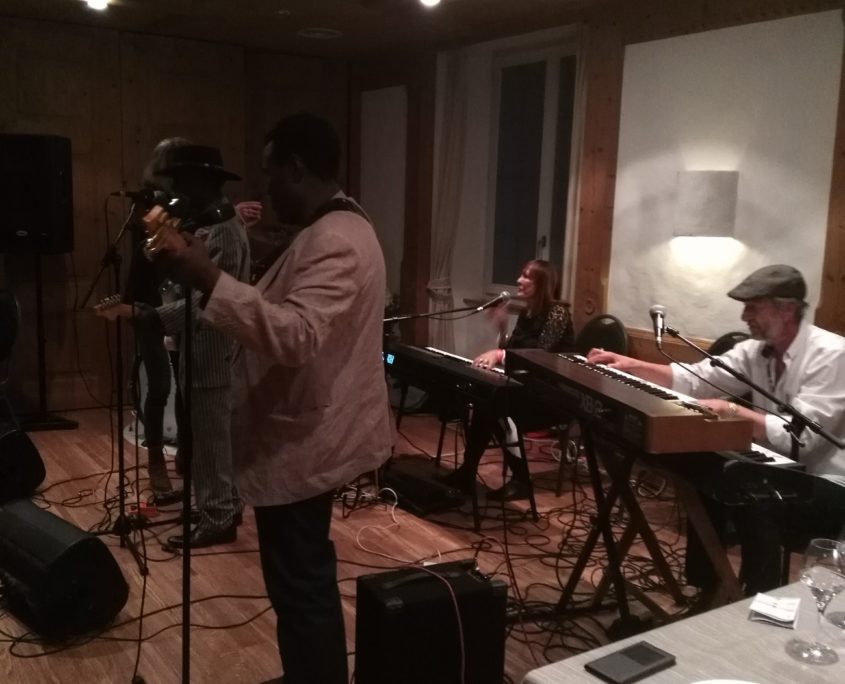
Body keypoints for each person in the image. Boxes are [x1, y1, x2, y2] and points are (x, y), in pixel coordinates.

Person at [145, 113, 393, 684]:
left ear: (296, 169)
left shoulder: (335, 239)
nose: (266, 187)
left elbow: (296, 336)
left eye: (271, 172)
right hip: (310, 429)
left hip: (306, 439)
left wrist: (209, 279)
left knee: (300, 586)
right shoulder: (338, 225)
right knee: (300, 581)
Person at [587, 264, 845, 594]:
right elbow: (695, 380)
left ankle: (757, 596)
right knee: (706, 472)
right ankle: (707, 585)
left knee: (758, 497)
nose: (744, 316)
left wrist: (732, 410)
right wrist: (631, 365)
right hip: (780, 470)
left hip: (829, 482)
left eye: (754, 307)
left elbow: (803, 439)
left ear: (787, 310)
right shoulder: (755, 351)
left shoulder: (831, 355)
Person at [99, 137, 190, 504]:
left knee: (185, 385)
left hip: (180, 301)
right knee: (161, 384)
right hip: (146, 301)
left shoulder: (187, 203)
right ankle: (155, 462)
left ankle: (185, 454)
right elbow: (149, 254)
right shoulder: (148, 203)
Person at [445, 259, 575, 500]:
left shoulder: (558, 313)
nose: (519, 280)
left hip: (555, 395)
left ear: (542, 283)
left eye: (526, 276)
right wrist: (503, 328)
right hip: (530, 388)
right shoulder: (527, 312)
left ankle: (520, 480)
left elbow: (539, 356)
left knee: (497, 408)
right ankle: (468, 471)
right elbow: (513, 352)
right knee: (486, 402)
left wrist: (499, 354)